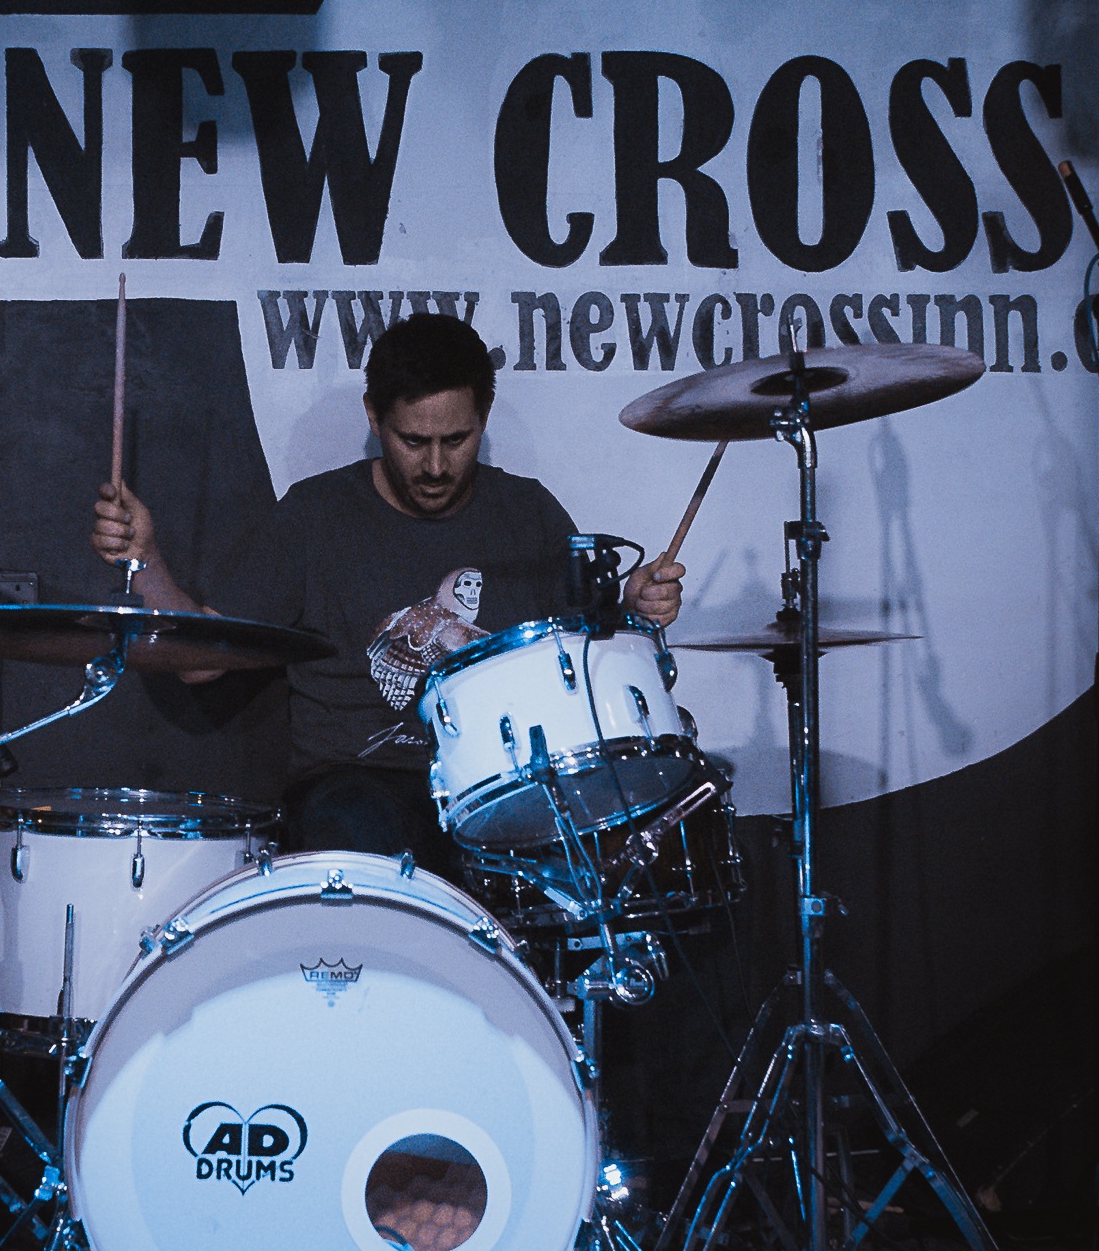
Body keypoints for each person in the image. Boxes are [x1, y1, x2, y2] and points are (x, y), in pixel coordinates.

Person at [91, 312, 684, 872]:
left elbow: (588, 656)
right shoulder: (314, 516)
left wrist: (635, 611)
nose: (435, 466)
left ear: (484, 416)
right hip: (359, 781)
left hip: (505, 782)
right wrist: (145, 559)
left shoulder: (529, 512)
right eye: (413, 441)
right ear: (374, 416)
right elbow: (199, 663)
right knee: (356, 823)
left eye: (456, 440)